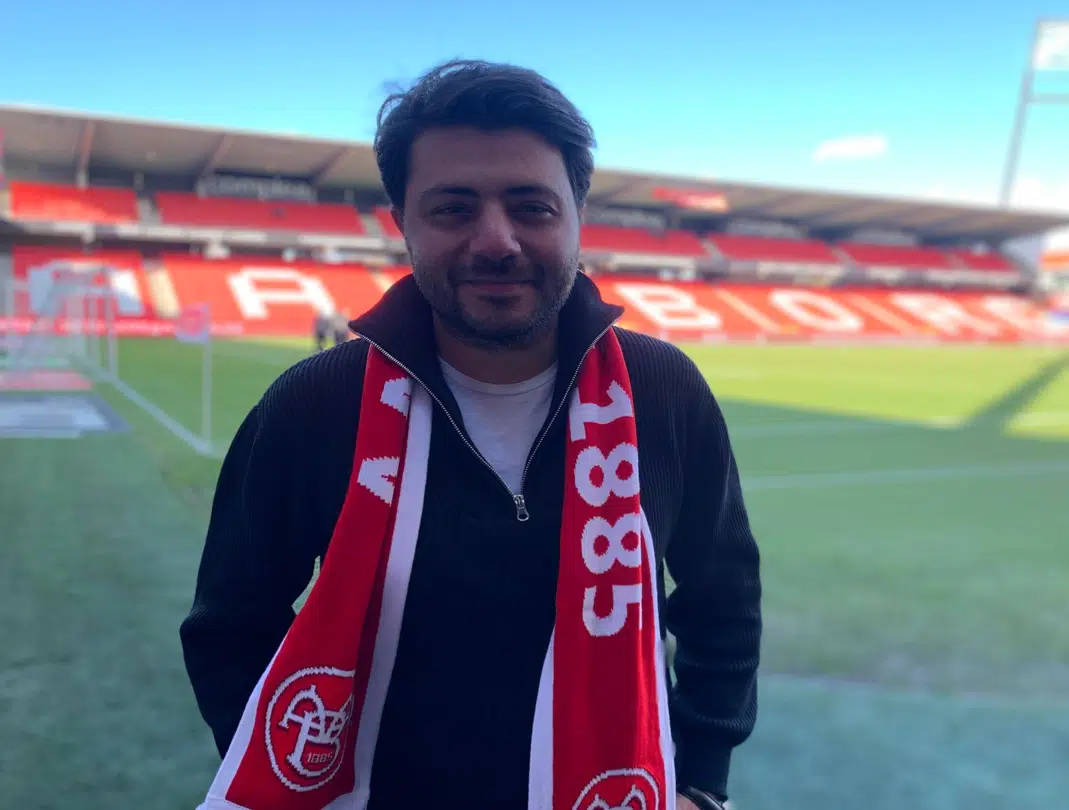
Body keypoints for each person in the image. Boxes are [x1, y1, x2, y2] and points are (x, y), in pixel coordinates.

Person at [180, 59, 761, 810]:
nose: (497, 241)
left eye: (532, 207)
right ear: (402, 222)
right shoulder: (315, 403)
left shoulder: (663, 390)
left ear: (577, 215)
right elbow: (229, 627)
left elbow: (723, 598)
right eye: (454, 208)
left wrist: (703, 782)